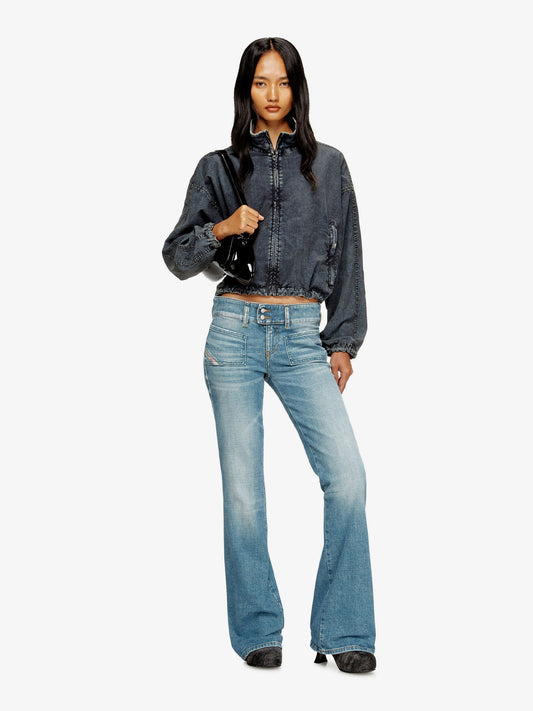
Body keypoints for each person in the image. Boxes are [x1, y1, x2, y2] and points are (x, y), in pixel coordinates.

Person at [162, 37, 376, 673]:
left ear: (297, 88)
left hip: (302, 336)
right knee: (244, 496)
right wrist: (221, 228)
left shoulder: (330, 165)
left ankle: (343, 630)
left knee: (348, 479)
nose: (273, 94)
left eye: (283, 82)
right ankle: (258, 630)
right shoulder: (219, 166)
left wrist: (343, 340)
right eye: (261, 82)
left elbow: (350, 254)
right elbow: (176, 257)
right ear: (246, 90)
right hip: (234, 331)